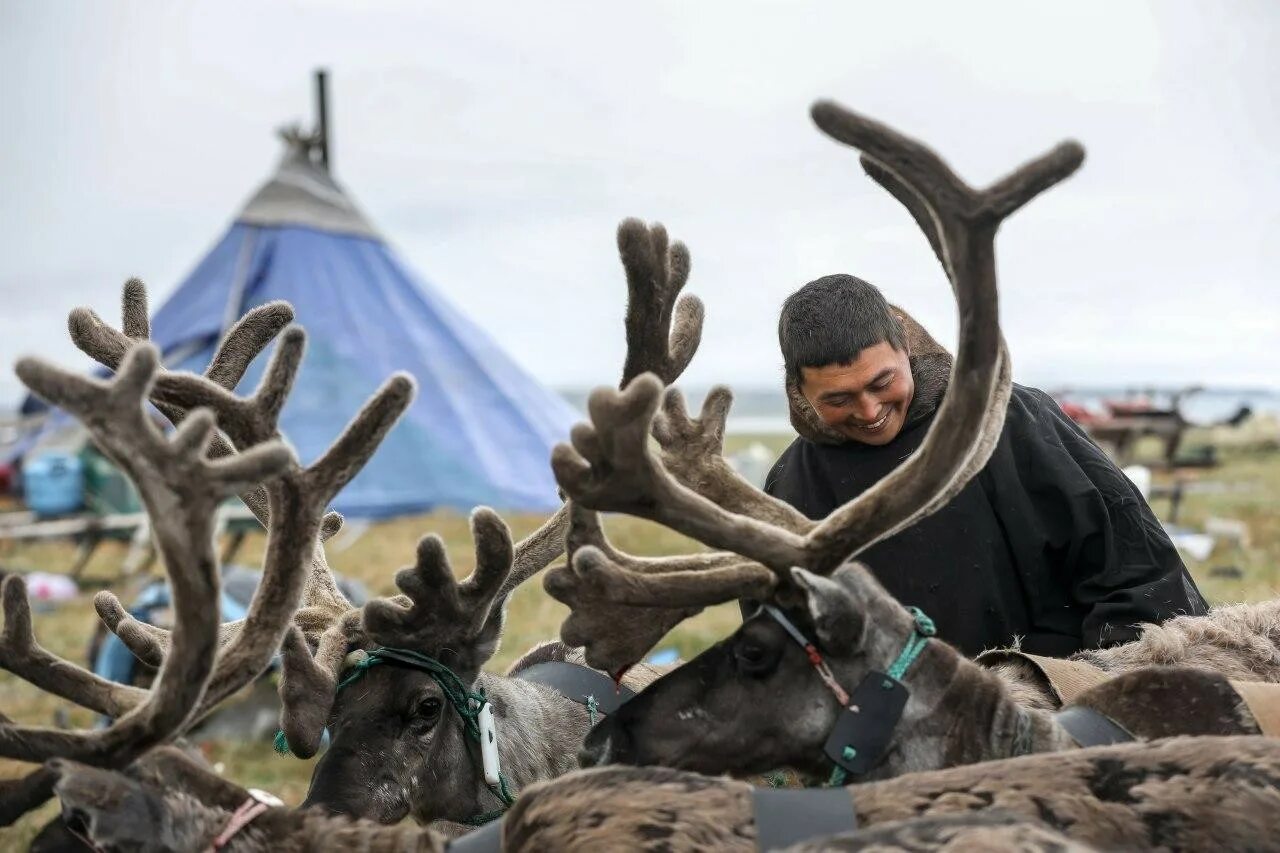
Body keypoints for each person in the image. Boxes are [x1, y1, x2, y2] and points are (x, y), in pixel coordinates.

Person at [765, 274, 1207, 657]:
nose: (869, 410)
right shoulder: (790, 487)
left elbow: (1138, 575)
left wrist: (1093, 698)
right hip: (891, 742)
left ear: (904, 347)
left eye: (882, 382)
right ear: (799, 390)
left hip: (1060, 710)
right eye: (838, 399)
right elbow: (786, 647)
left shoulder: (1013, 422)